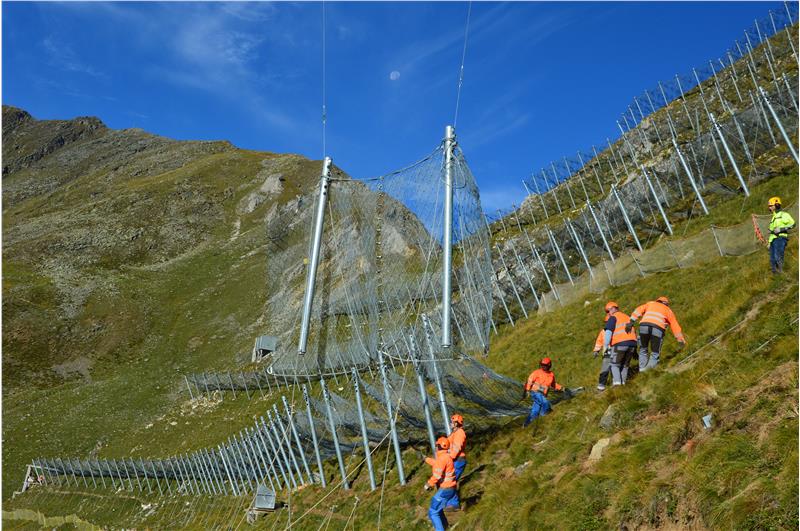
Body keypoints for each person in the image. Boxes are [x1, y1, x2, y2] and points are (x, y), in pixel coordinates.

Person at [627, 296, 686, 371]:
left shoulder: (650, 304)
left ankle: (642, 370)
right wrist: (680, 340)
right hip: (657, 329)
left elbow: (638, 310)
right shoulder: (668, 310)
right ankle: (647, 372)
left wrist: (631, 321)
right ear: (666, 304)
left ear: (657, 301)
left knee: (643, 349)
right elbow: (674, 325)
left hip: (644, 326)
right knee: (655, 353)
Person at [424, 437, 458, 531]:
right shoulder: (445, 457)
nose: (435, 447)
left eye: (436, 445)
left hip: (445, 489)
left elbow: (437, 475)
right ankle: (445, 527)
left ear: (439, 446)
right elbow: (436, 463)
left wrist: (428, 484)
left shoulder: (442, 458)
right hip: (450, 488)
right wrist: (425, 459)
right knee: (438, 509)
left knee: (433, 512)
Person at [601, 302, 637, 386]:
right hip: (632, 344)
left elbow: (608, 332)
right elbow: (634, 332)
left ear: (613, 308)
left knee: (614, 364)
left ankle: (617, 384)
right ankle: (623, 384)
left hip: (619, 344)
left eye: (608, 311)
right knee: (625, 365)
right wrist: (635, 351)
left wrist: (605, 346)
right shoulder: (627, 317)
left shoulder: (613, 317)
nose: (608, 313)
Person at [521, 358, 563, 426]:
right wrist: (527, 390)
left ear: (549, 365)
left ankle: (526, 424)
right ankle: (545, 415)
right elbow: (529, 381)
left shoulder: (551, 375)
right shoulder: (536, 372)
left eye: (545, 365)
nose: (543, 366)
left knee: (535, 411)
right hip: (535, 392)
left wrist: (561, 388)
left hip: (543, 394)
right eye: (542, 365)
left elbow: (553, 384)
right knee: (545, 402)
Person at [445, 414, 467, 512]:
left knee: (450, 481)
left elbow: (456, 448)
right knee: (448, 481)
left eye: (452, 422)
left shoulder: (460, 433)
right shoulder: (454, 433)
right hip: (454, 460)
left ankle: (454, 504)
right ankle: (450, 503)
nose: (450, 423)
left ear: (456, 423)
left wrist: (450, 457)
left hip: (458, 460)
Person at [767, 196, 795, 274]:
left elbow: (793, 224)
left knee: (778, 256)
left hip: (780, 238)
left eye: (771, 205)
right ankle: (778, 277)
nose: (769, 208)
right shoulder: (773, 218)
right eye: (769, 206)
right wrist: (769, 243)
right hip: (773, 240)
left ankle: (783, 273)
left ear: (776, 205)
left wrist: (781, 229)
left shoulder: (784, 214)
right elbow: (772, 232)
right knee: (772, 260)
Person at [592, 315, 612, 391]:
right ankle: (601, 385)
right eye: (606, 322)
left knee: (616, 368)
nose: (607, 323)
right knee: (605, 369)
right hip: (607, 353)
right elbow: (599, 341)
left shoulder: (617, 329)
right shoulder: (603, 331)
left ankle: (616, 382)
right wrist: (596, 351)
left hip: (616, 351)